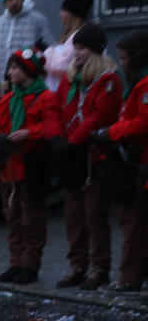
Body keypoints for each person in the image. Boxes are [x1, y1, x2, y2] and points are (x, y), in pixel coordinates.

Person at [0, 48, 61, 285]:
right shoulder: (8, 99)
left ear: (28, 70)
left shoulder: (47, 98)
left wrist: (30, 133)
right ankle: (15, 262)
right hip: (9, 169)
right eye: (11, 67)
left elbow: (53, 129)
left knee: (32, 219)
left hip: (31, 168)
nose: (10, 72)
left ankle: (29, 265)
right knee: (13, 218)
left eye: (16, 67)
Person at [53, 24, 122, 290]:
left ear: (93, 50)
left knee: (94, 215)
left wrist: (73, 139)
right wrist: (58, 137)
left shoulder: (107, 80)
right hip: (72, 156)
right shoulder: (70, 80)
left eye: (81, 48)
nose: (76, 54)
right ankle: (78, 265)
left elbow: (100, 116)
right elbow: (57, 109)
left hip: (93, 157)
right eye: (75, 48)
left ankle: (99, 267)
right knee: (74, 215)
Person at [91, 31, 148, 292]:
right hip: (136, 160)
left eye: (125, 58)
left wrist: (110, 133)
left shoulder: (144, 84)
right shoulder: (136, 82)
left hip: (142, 161)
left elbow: (142, 123)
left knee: (135, 224)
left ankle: (130, 277)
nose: (122, 63)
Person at [0, 0, 55, 86]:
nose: (14, 2)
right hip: (3, 82)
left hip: (28, 80)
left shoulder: (37, 20)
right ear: (4, 1)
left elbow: (50, 49)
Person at [43, 0, 91, 92]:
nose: (60, 14)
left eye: (64, 10)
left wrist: (46, 52)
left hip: (67, 92)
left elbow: (61, 66)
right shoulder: (85, 33)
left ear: (72, 14)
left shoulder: (78, 36)